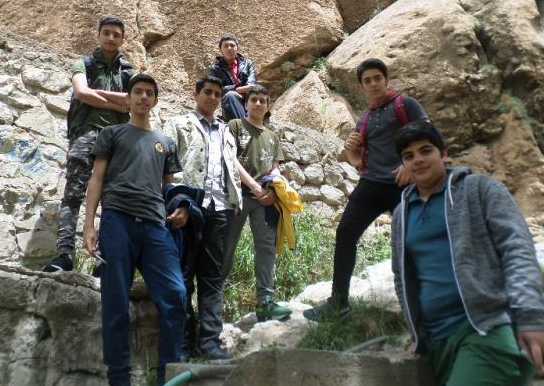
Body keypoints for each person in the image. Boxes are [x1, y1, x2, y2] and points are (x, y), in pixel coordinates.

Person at [392, 121, 544, 386]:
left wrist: (531, 316)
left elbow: (517, 248)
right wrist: (418, 335)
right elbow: (402, 277)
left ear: (444, 154)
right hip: (438, 341)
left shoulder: (479, 189)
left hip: (487, 328)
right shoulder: (402, 213)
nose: (418, 160)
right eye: (409, 156)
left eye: (426, 151)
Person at [82, 74, 188, 386]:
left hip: (156, 226)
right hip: (118, 220)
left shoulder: (165, 143)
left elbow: (170, 188)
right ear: (128, 99)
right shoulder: (112, 134)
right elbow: (97, 178)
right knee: (115, 303)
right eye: (138, 92)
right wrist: (89, 224)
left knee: (175, 296)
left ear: (155, 101)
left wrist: (181, 208)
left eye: (149, 93)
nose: (143, 97)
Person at [304, 58, 427, 321]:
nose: (373, 84)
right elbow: (355, 159)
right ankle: (338, 303)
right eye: (367, 80)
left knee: (411, 242)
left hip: (402, 184)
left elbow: (427, 134)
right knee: (345, 233)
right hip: (371, 183)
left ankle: (423, 302)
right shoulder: (366, 117)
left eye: (377, 78)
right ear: (362, 86)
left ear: (387, 80)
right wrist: (350, 149)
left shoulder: (405, 104)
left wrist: (410, 165)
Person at [43, 15, 135, 272]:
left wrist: (99, 95)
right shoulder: (83, 63)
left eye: (116, 35)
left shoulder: (129, 72)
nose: (111, 38)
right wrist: (115, 102)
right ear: (98, 35)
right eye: (106, 33)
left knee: (112, 200)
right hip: (85, 133)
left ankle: (103, 261)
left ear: (122, 40)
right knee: (73, 194)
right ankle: (64, 255)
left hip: (116, 139)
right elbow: (81, 92)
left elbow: (132, 101)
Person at [162, 76, 242, 360]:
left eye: (217, 94)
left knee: (212, 276)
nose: (213, 97)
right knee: (182, 275)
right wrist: (175, 200)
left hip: (219, 208)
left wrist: (236, 199)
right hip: (188, 205)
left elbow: (231, 167)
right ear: (196, 94)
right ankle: (184, 343)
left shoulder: (226, 131)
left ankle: (210, 342)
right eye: (207, 92)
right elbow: (165, 165)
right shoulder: (178, 124)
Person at [222, 85, 293, 322]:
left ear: (268, 106)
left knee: (266, 248)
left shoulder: (272, 136)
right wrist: (254, 186)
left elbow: (275, 167)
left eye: (263, 100)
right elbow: (230, 159)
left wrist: (273, 188)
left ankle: (266, 302)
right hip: (237, 196)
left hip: (265, 200)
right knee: (226, 248)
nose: (258, 104)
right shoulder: (235, 126)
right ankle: (213, 299)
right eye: (254, 100)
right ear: (246, 104)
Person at [207, 34, 256, 121]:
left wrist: (231, 89)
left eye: (232, 45)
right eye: (226, 46)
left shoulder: (247, 64)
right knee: (230, 95)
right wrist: (237, 89)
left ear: (237, 47)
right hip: (230, 104)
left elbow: (251, 86)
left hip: (248, 100)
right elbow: (215, 90)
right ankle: (243, 127)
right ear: (220, 50)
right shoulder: (215, 69)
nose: (229, 48)